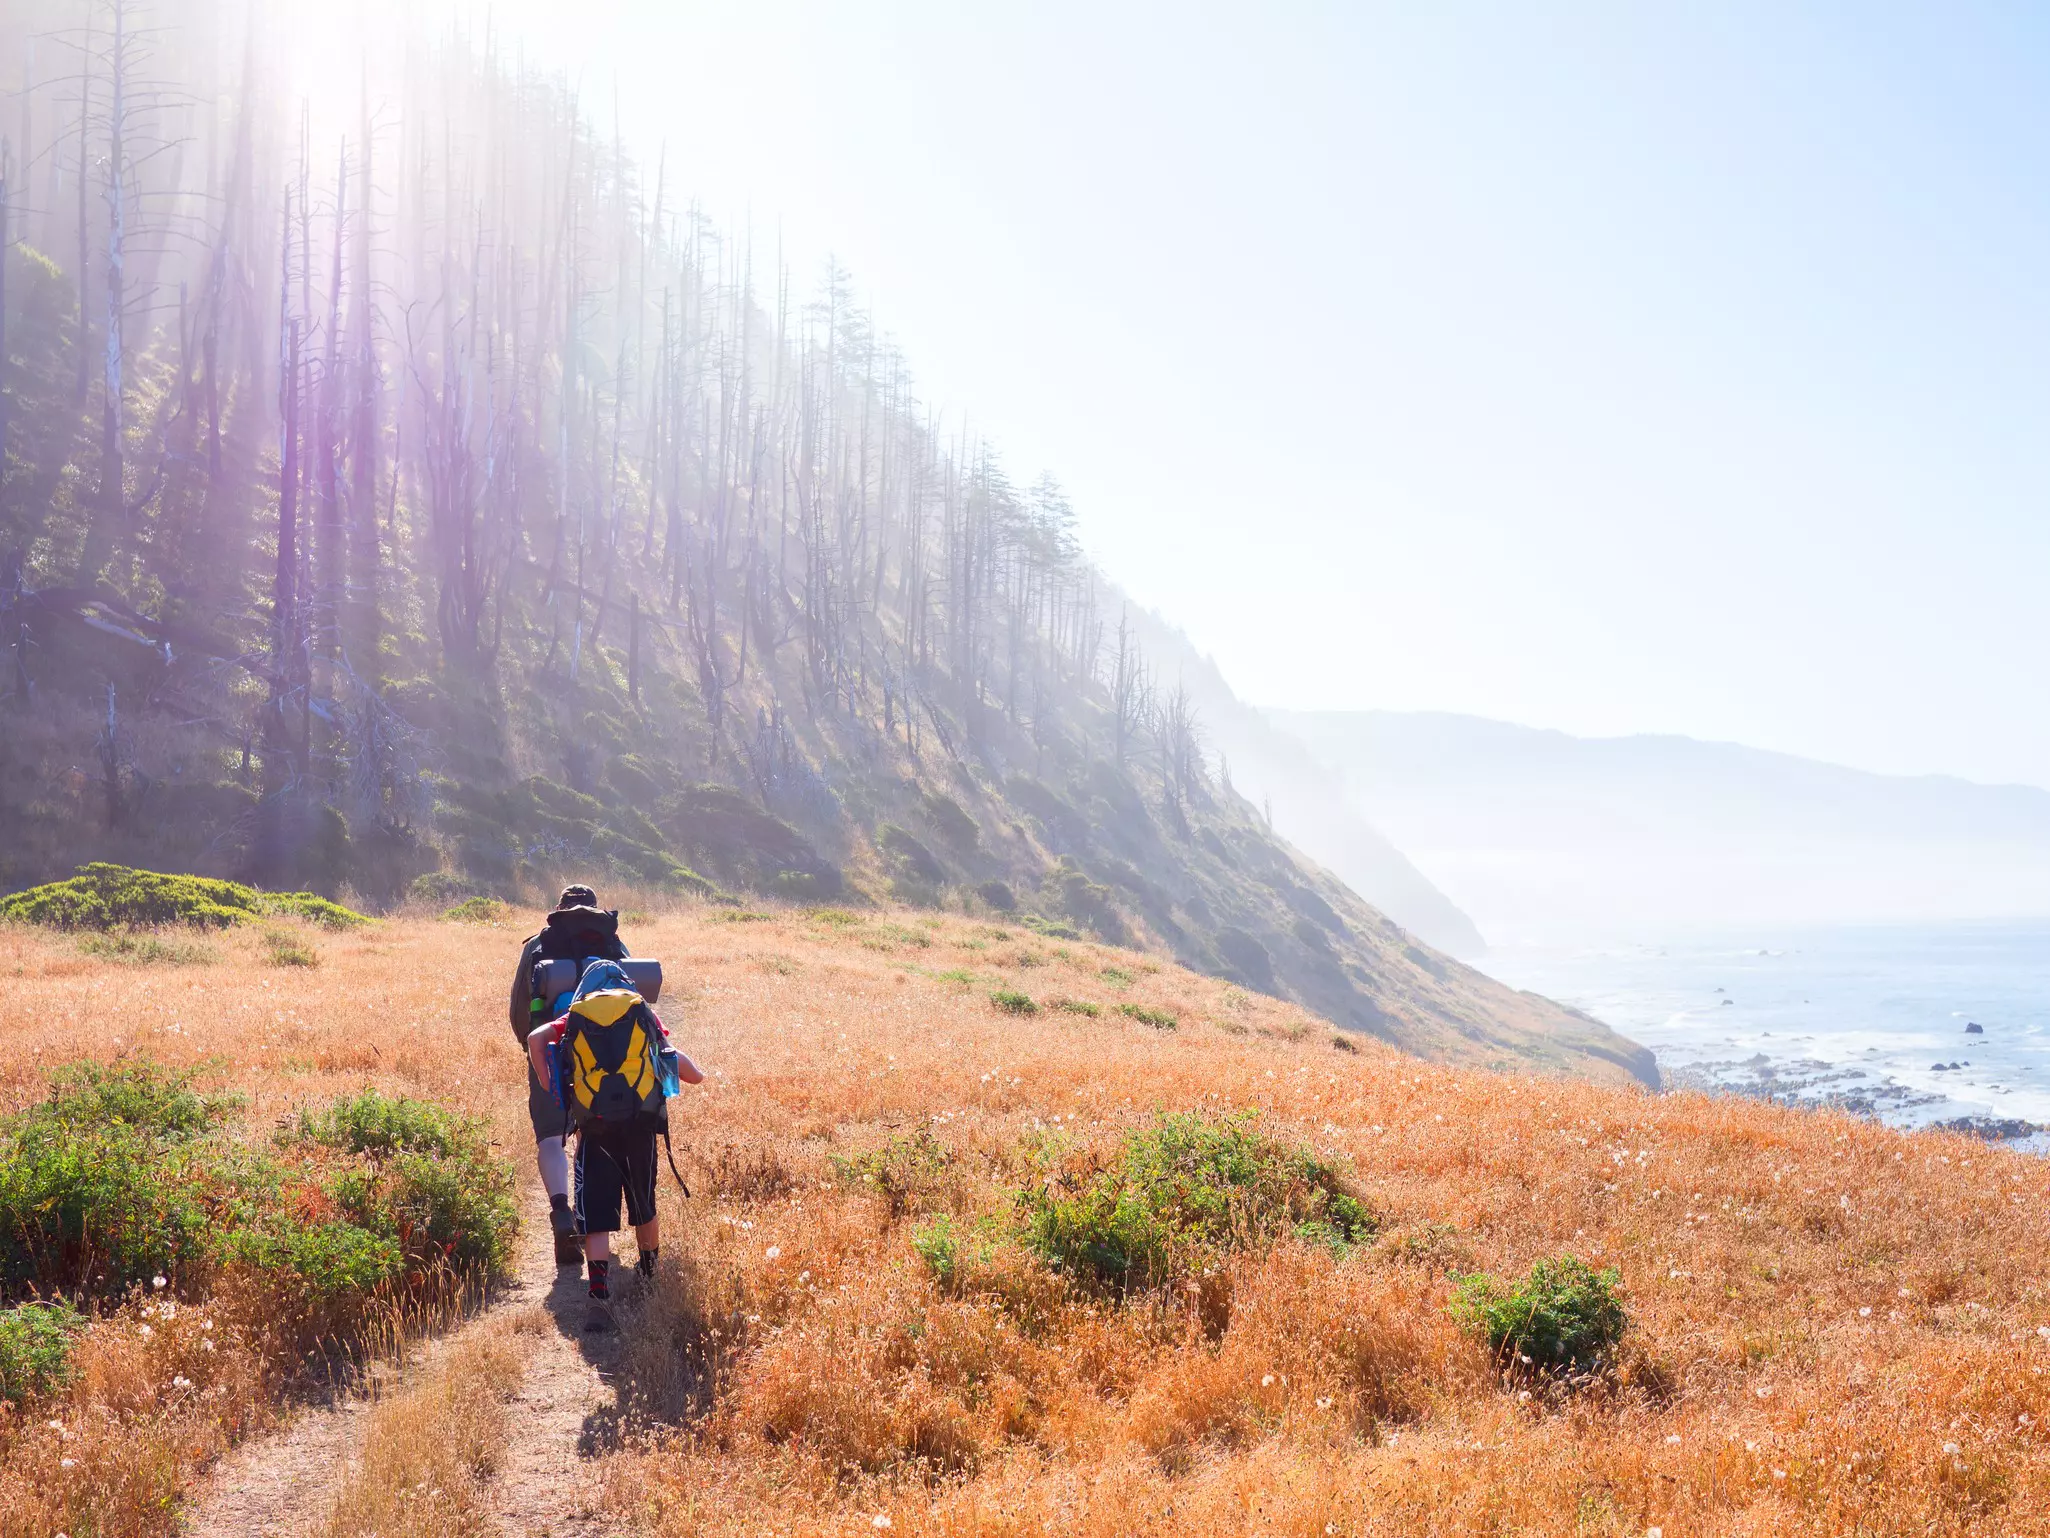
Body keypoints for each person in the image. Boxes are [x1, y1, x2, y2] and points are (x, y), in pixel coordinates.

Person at [527, 960, 704, 1329]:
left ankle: (598, 1296)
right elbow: (675, 1061)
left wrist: (548, 1083)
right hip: (640, 1125)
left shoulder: (575, 1015)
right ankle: (649, 1275)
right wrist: (697, 1076)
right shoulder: (640, 1011)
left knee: (596, 1213)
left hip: (595, 1128)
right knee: (644, 1202)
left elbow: (535, 1039)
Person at [510, 884, 631, 1264]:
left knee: (550, 1136)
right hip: (602, 1053)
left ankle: (560, 1210)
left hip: (548, 1045)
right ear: (594, 910)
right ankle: (587, 1217)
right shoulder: (612, 940)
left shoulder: (538, 944)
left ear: (559, 909)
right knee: (592, 1131)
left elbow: (518, 1011)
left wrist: (532, 1047)